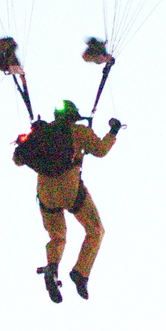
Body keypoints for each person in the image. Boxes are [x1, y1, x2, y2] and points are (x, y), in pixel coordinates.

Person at [31, 100, 121, 302]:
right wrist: (113, 132)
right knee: (95, 230)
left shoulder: (41, 134)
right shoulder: (79, 131)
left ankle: (52, 268)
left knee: (58, 236)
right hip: (70, 191)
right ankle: (81, 272)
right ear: (73, 117)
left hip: (45, 194)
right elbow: (100, 150)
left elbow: (18, 159)